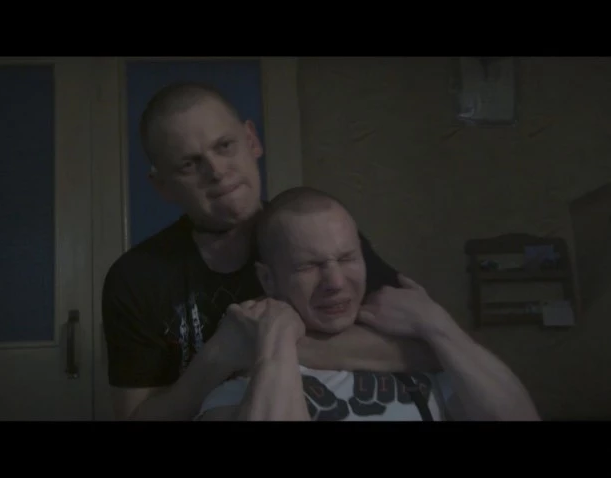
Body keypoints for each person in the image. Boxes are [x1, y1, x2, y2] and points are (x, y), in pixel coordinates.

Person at [102, 81, 440, 421]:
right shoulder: (136, 278)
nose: (217, 171)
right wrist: (217, 357)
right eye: (190, 164)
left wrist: (273, 345)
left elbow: (428, 346)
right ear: (162, 186)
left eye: (225, 146)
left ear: (252, 140)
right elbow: (135, 416)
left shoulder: (321, 235)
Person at [195, 187, 541, 421]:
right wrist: (275, 341)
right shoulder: (242, 388)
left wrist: (436, 323)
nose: (335, 282)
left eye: (347, 258)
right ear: (269, 279)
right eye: (309, 266)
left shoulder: (418, 360)